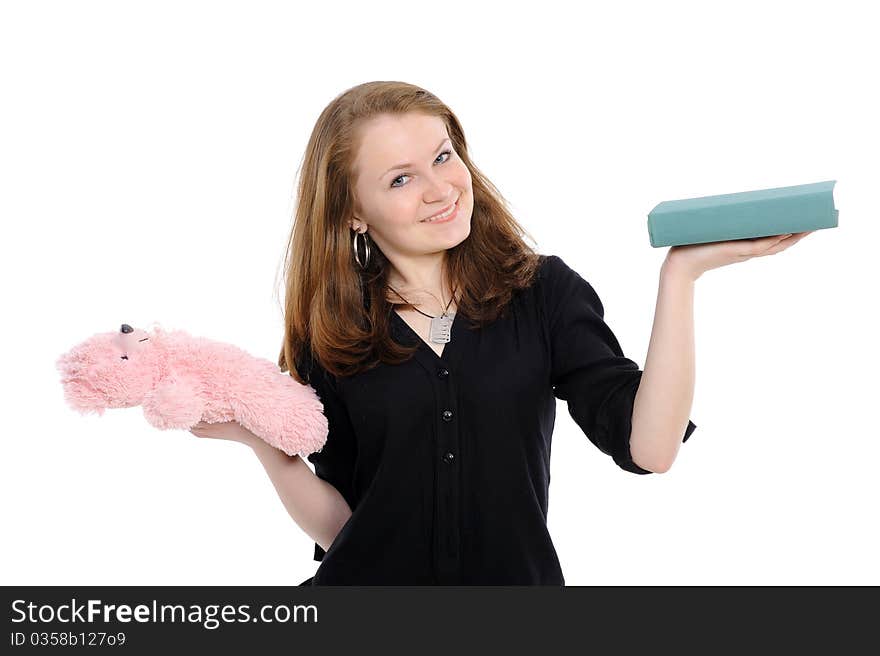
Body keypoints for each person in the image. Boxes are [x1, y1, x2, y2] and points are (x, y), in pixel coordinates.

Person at [190, 81, 814, 585]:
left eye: (443, 157)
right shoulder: (331, 334)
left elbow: (652, 448)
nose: (441, 190)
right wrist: (263, 442)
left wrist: (680, 277)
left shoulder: (544, 294)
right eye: (401, 179)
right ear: (352, 212)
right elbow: (346, 529)